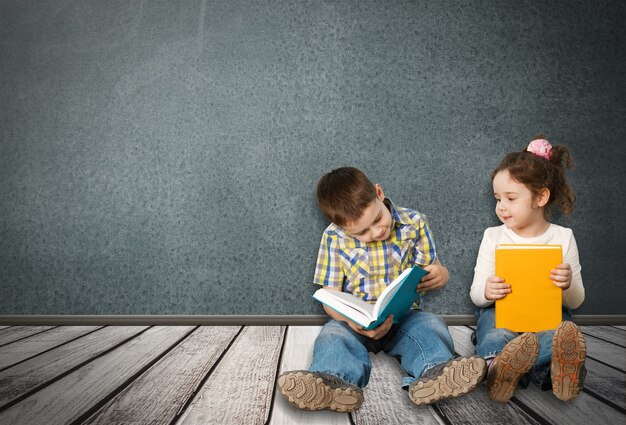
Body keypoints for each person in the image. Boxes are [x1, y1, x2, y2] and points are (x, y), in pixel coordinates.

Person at [278, 166, 486, 412]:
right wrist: (352, 322)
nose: (376, 232)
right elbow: (329, 297)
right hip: (356, 322)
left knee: (430, 324)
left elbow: (434, 267)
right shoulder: (333, 238)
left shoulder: (414, 223)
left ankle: (436, 372)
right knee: (333, 335)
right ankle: (332, 382)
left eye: (377, 219)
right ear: (342, 227)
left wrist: (440, 275)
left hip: (405, 316)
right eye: (361, 232)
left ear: (379, 193)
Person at [470, 137, 586, 403]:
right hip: (502, 313)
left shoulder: (562, 237)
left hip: (548, 315)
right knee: (495, 332)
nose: (501, 206)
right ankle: (501, 366)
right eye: (498, 198)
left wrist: (567, 284)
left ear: (541, 197)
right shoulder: (493, 236)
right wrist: (488, 290)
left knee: (561, 334)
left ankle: (547, 371)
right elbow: (476, 295)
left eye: (511, 198)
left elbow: (577, 301)